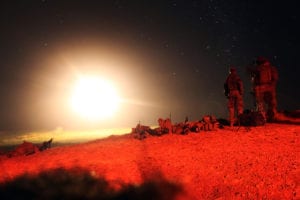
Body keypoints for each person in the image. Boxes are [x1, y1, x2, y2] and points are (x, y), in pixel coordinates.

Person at [249, 56, 278, 121]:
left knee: (260, 103)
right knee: (272, 103)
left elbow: (254, 79)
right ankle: (273, 117)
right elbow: (275, 77)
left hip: (259, 87)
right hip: (269, 86)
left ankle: (262, 117)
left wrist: (254, 88)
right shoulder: (271, 67)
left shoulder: (258, 68)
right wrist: (272, 86)